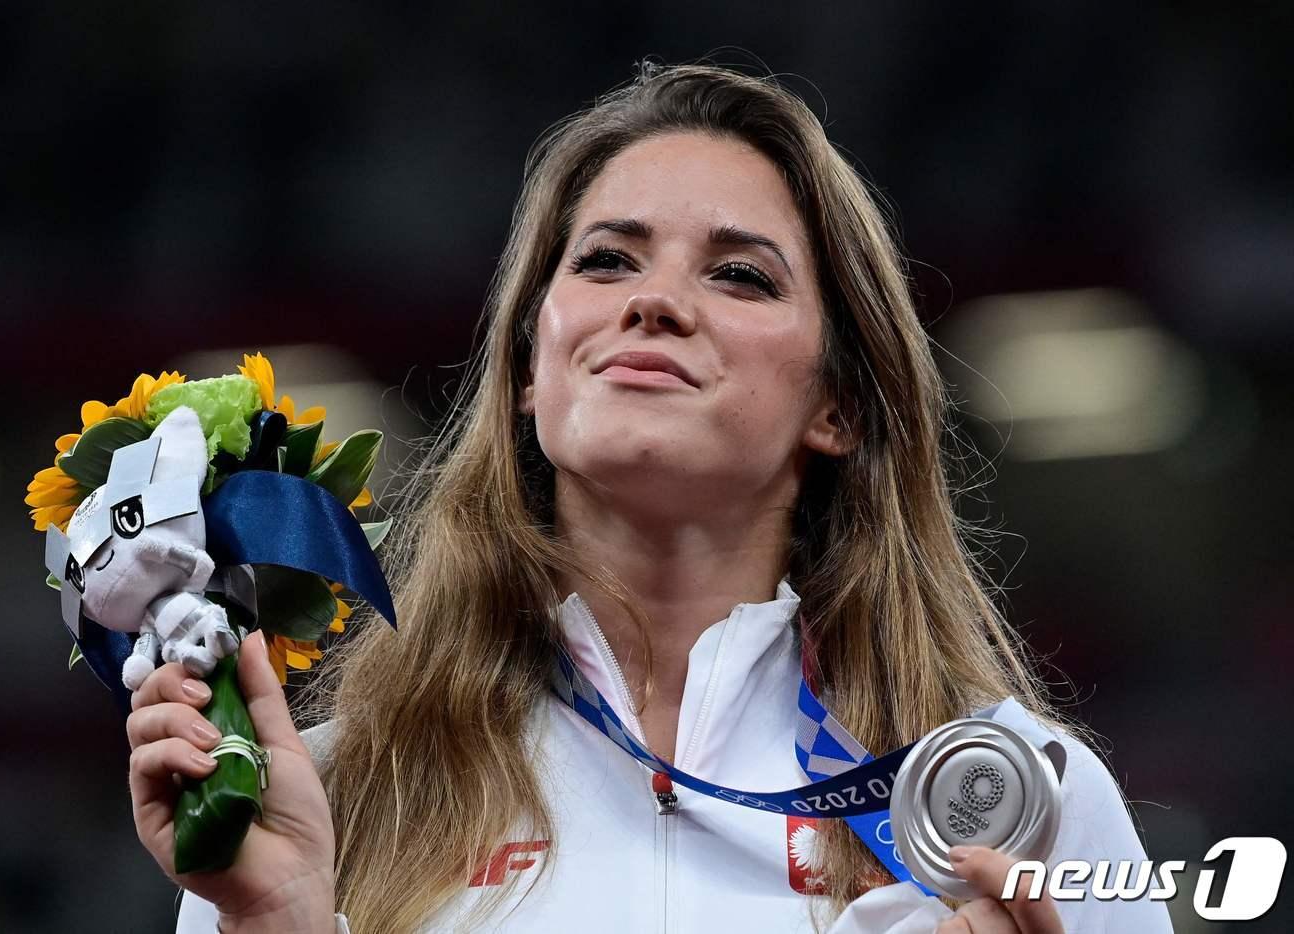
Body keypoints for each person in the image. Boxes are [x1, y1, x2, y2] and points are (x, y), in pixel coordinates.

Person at [126, 62, 1174, 933]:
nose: (655, 300)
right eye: (606, 259)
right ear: (531, 369)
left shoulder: (1009, 800)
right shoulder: (330, 797)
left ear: (838, 405)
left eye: (740, 276)